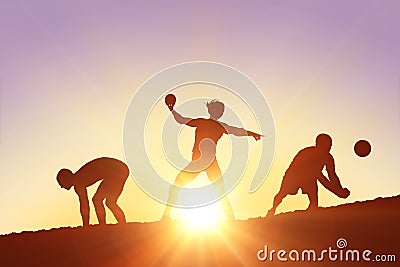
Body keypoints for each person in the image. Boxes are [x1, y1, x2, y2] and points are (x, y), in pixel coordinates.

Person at [162, 99, 262, 220]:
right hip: (209, 163)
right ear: (215, 111)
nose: (221, 112)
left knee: (176, 187)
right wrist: (252, 134)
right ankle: (231, 218)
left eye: (221, 110)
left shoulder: (205, 123)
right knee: (220, 192)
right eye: (220, 110)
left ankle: (166, 216)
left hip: (200, 162)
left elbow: (181, 120)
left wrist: (171, 110)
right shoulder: (218, 126)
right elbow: (237, 131)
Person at [267, 133, 350, 216]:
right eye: (327, 145)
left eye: (330, 145)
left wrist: (340, 189)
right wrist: (339, 192)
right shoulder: (306, 153)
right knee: (282, 193)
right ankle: (273, 209)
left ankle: (311, 211)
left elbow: (332, 175)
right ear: (318, 144)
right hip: (293, 175)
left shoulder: (328, 158)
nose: (329, 147)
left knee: (313, 200)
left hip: (311, 178)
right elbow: (321, 179)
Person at [56, 157, 129, 226]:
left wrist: (86, 226)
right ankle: (116, 224)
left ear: (66, 179)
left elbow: (84, 205)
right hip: (120, 169)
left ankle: (105, 226)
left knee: (98, 200)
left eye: (61, 183)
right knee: (108, 202)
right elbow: (85, 205)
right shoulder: (79, 179)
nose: (61, 186)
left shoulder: (78, 182)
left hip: (117, 170)